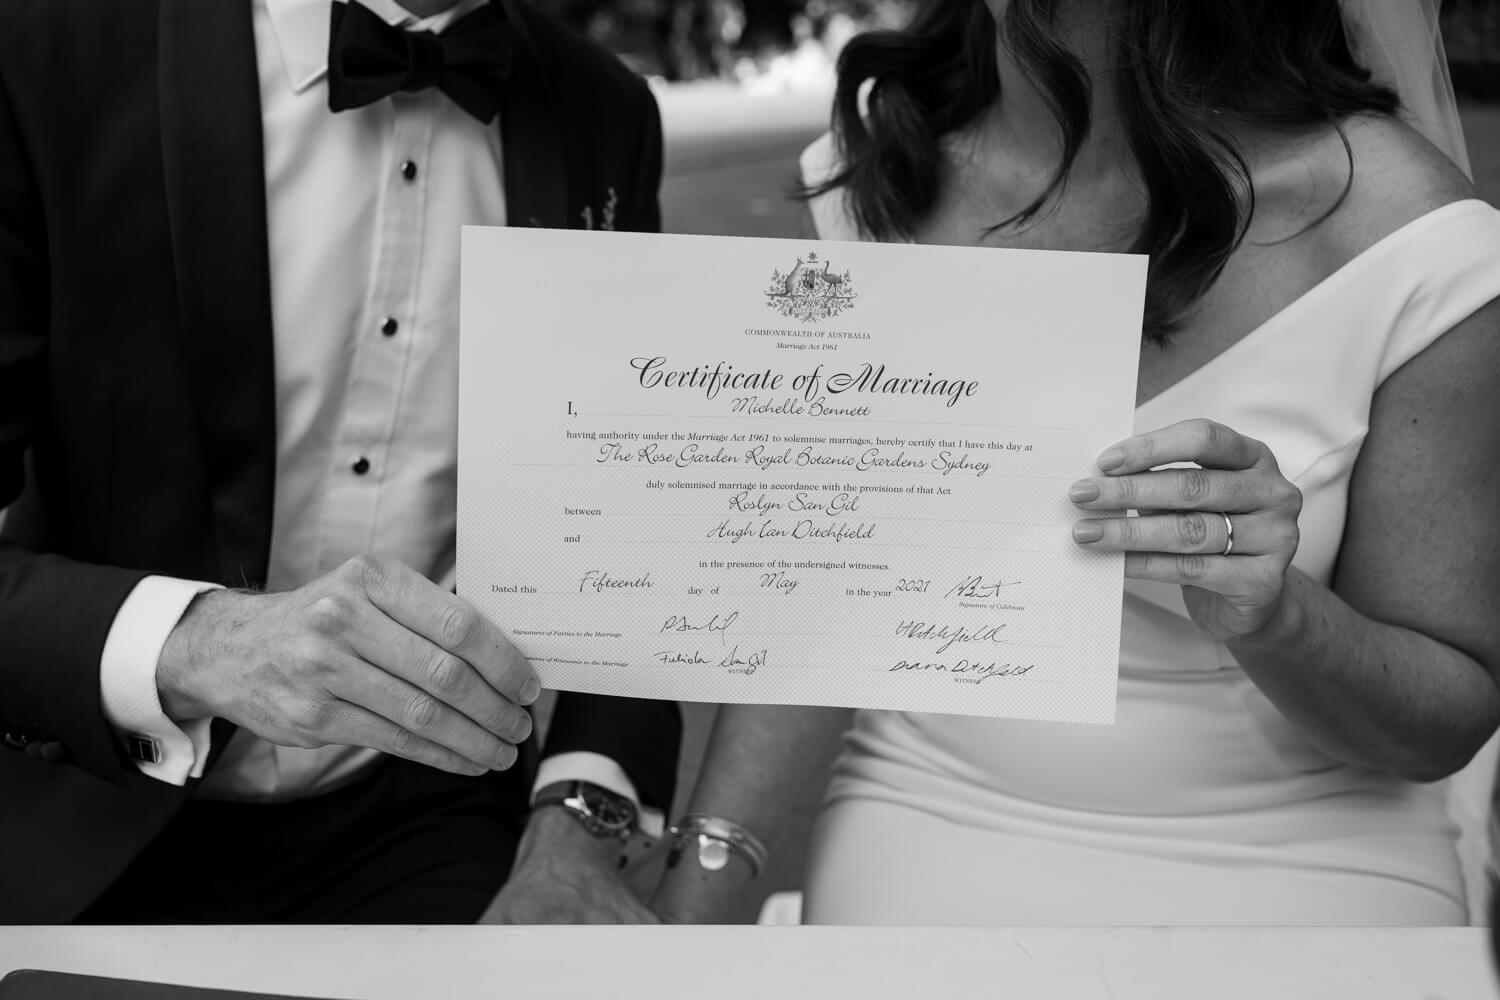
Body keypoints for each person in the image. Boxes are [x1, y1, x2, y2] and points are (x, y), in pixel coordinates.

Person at [648, 0, 1500, 925]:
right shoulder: (889, 169)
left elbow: (1444, 724)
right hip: (933, 807)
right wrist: (695, 894)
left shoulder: (1409, 238)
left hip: (1314, 847)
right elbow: (820, 595)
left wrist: (1282, 617)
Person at [0, 0, 679, 923]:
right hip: (82, 804)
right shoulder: (47, 50)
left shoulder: (604, 109)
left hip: (430, 814)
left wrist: (577, 830)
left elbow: (628, 522)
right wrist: (199, 646)